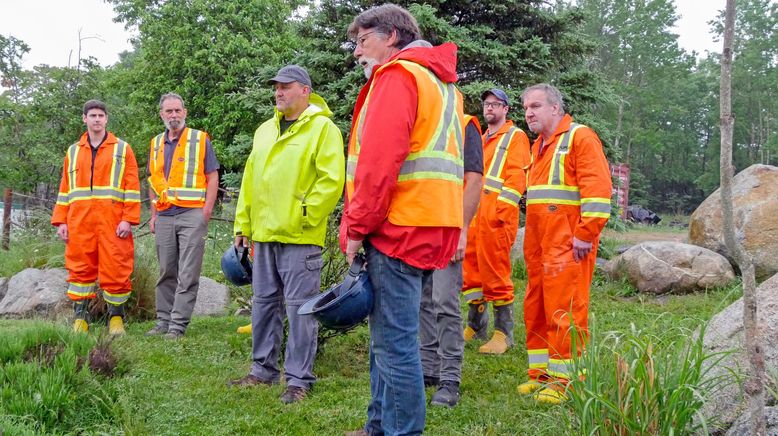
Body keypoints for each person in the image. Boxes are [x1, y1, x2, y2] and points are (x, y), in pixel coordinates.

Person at [341, 4, 464, 434]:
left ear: (390, 36)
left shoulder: (398, 76)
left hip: (398, 226)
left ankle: (402, 429)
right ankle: (379, 424)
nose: (357, 52)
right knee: (389, 339)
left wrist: (355, 227)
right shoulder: (443, 84)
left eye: (362, 41)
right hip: (432, 224)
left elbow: (378, 165)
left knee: (394, 344)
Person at [227, 65, 344, 405]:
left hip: (300, 237)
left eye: (285, 87)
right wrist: (242, 224)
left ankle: (298, 381)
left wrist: (305, 214)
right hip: (263, 236)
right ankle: (261, 371)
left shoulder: (323, 128)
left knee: (300, 311)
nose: (278, 92)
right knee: (263, 306)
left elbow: (331, 180)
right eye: (276, 87)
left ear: (305, 90)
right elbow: (250, 180)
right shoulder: (265, 130)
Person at [518, 83, 611, 404]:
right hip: (539, 245)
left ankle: (566, 381)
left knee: (565, 311)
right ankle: (540, 375)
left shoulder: (580, 137)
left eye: (536, 106)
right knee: (537, 307)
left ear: (556, 108)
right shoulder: (537, 146)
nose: (529, 112)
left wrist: (586, 235)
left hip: (569, 244)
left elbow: (598, 193)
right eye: (526, 107)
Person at [51, 99, 141, 334]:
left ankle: (116, 319)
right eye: (92, 115)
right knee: (80, 268)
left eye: (101, 115)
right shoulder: (73, 151)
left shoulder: (122, 149)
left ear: (106, 119)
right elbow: (65, 187)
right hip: (79, 221)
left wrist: (128, 219)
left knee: (117, 267)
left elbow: (131, 186)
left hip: (113, 221)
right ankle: (80, 318)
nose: (97, 119)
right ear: (85, 119)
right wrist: (61, 220)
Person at [418, 114, 483, 407]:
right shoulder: (421, 116)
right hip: (421, 226)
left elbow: (473, 180)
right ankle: (429, 368)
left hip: (449, 228)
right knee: (423, 300)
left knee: (444, 302)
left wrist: (462, 229)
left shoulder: (464, 121)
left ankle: (449, 378)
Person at [461, 88, 531, 355]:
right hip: (475, 217)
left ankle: (504, 333)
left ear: (506, 109)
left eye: (495, 104)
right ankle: (476, 326)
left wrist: (500, 213)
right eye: (487, 104)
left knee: (496, 273)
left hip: (495, 220)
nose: (489, 108)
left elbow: (516, 178)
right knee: (472, 274)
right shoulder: (481, 137)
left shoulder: (515, 137)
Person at [146, 93, 220, 339]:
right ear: (162, 115)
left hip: (192, 214)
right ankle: (163, 321)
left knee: (188, 272)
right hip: (165, 215)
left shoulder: (199, 139)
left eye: (178, 110)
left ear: (185, 112)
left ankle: (177, 326)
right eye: (169, 111)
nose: (174, 115)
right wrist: (154, 214)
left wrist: (206, 212)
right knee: (166, 270)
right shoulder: (156, 143)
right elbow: (152, 181)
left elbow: (212, 177)